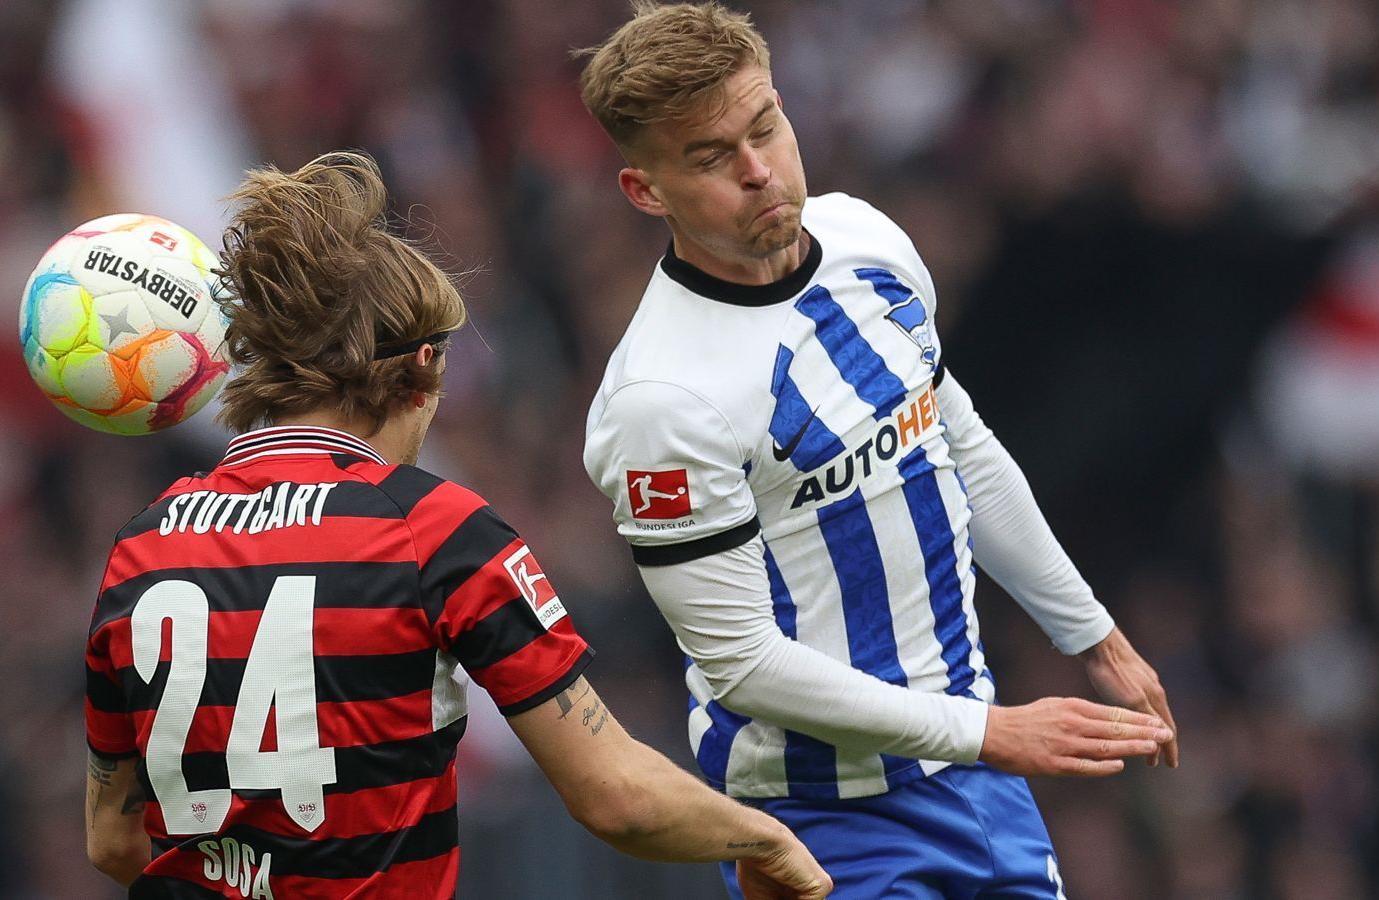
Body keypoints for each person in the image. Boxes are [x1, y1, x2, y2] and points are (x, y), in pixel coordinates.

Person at [82, 151, 831, 900]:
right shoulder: (435, 528)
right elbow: (618, 797)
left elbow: (113, 840)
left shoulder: (142, 545)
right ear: (425, 367)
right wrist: (768, 838)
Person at [576, 4, 1179, 897]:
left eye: (766, 128)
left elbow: (961, 447)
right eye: (711, 158)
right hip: (822, 825)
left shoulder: (867, 241)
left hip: (980, 781)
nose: (759, 171)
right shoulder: (660, 403)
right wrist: (989, 731)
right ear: (645, 190)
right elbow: (741, 662)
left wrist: (1093, 634)